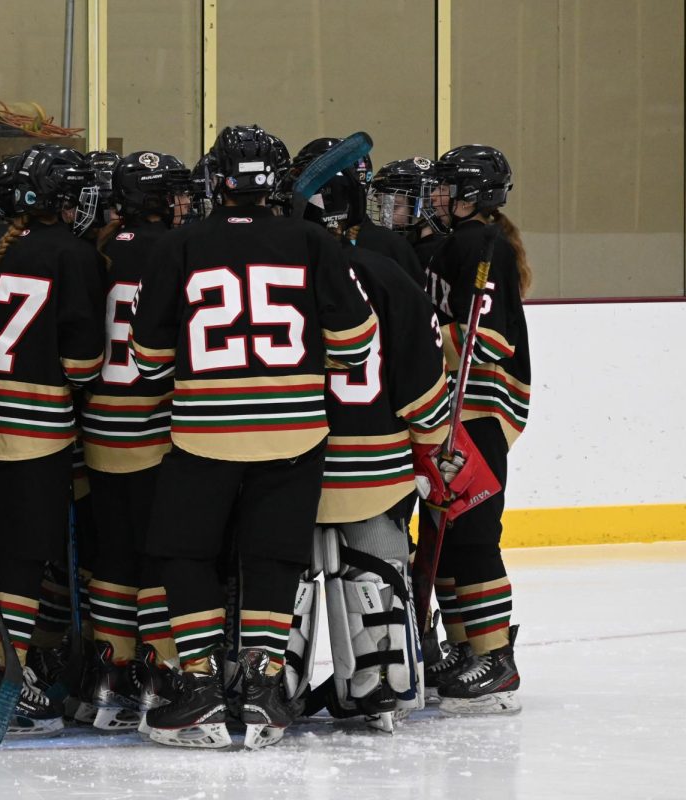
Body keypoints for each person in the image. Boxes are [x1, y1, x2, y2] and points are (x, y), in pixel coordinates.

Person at [131, 125, 378, 749]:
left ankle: (204, 687)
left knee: (183, 553)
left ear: (218, 181)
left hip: (204, 429)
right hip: (295, 430)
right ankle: (267, 689)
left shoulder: (179, 245)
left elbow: (149, 356)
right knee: (272, 556)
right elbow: (357, 344)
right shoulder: (311, 241)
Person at [287, 142, 452, 731]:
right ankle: (381, 682)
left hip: (293, 465)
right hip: (374, 469)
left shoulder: (278, 278)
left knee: (283, 571)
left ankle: (275, 683)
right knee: (377, 568)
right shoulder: (387, 273)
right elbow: (424, 382)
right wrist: (431, 445)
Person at [0, 144, 105, 736]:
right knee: (20, 563)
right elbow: (81, 362)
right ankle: (6, 682)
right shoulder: (75, 256)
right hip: (35, 436)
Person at [80, 150, 191, 730]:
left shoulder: (94, 252)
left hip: (98, 432)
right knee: (159, 559)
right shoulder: (176, 251)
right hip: (155, 431)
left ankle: (110, 675)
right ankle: (158, 673)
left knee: (112, 557)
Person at [423, 144, 531, 714]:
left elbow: (485, 341)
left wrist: (434, 333)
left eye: (444, 187)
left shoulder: (479, 244)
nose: (435, 196)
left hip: (478, 413)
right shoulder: (463, 243)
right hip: (456, 414)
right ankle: (469, 648)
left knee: (472, 537)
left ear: (471, 195)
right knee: (448, 540)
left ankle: (496, 659)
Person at [365, 156, 446, 287]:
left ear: (424, 203)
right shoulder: (394, 247)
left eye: (394, 206)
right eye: (381, 207)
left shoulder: (438, 253)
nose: (383, 216)